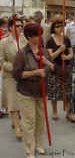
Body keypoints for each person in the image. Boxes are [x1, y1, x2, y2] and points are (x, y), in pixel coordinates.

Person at [12, 23, 54, 158]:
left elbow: (51, 69)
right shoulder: (22, 54)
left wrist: (46, 66)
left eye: (40, 34)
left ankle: (39, 144)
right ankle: (29, 149)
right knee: (29, 122)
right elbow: (17, 75)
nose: (38, 37)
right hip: (26, 93)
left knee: (40, 120)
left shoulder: (44, 51)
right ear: (29, 36)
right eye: (36, 35)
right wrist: (35, 72)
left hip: (41, 92)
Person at [0, 17, 27, 139]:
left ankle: (14, 121)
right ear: (10, 27)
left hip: (23, 76)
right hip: (10, 76)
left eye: (21, 25)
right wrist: (14, 68)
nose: (20, 27)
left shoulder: (25, 40)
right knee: (13, 102)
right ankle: (17, 127)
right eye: (17, 25)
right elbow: (1, 61)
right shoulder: (3, 42)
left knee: (21, 101)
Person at [46, 16, 75, 121]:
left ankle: (68, 112)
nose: (59, 28)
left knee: (67, 91)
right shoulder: (50, 41)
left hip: (66, 67)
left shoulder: (66, 39)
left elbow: (71, 54)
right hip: (55, 68)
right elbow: (51, 56)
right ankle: (54, 111)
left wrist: (66, 56)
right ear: (53, 28)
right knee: (54, 91)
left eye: (61, 26)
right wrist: (60, 50)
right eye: (57, 26)